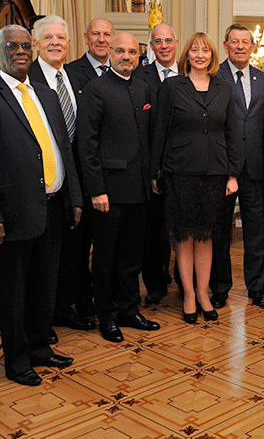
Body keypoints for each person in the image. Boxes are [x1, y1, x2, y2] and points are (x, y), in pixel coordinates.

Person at [0, 24, 82, 385]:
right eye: (11, 46)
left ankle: (40, 346)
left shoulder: (45, 94)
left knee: (45, 285)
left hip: (53, 208)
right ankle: (16, 361)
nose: (20, 52)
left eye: (26, 46)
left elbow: (64, 150)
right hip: (10, 217)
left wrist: (73, 196)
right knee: (13, 292)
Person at [151, 32, 240, 324]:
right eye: (195, 50)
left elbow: (232, 133)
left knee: (206, 236)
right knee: (183, 235)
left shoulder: (224, 88)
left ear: (213, 56)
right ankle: (188, 294)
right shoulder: (172, 87)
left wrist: (232, 174)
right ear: (186, 55)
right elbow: (160, 132)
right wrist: (155, 172)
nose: (200, 55)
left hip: (215, 172)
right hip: (179, 172)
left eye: (205, 50)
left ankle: (204, 293)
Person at [78, 32, 160, 343]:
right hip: (108, 192)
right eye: (120, 51)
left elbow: (146, 140)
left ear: (139, 57)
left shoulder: (142, 87)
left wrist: (151, 178)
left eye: (131, 52)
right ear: (109, 53)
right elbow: (87, 145)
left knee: (131, 256)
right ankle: (107, 315)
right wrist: (97, 190)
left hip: (138, 189)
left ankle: (129, 308)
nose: (126, 56)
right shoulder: (96, 90)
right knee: (105, 257)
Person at [29, 15, 96, 335]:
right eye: (48, 38)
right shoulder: (27, 80)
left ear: (69, 44)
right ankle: (42, 314)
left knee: (73, 248)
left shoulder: (73, 78)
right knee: (45, 252)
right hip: (42, 182)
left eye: (61, 38)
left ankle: (63, 306)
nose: (56, 43)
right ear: (35, 44)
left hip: (76, 178)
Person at [211, 24, 264, 308]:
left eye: (245, 42)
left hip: (256, 169)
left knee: (256, 230)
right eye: (234, 42)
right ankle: (220, 287)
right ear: (225, 46)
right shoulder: (214, 77)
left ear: (252, 47)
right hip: (223, 169)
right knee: (221, 231)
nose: (240, 46)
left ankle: (257, 287)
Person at [135, 22, 180, 305]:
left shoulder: (191, 74)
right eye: (158, 41)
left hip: (184, 164)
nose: (163, 46)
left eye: (168, 40)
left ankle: (180, 275)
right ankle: (155, 283)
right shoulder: (140, 77)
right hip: (151, 163)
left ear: (176, 43)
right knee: (153, 229)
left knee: (180, 226)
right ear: (151, 46)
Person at [65, 18, 114, 86]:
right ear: (86, 38)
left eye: (107, 34)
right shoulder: (70, 71)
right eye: (95, 34)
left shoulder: (122, 69)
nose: (101, 40)